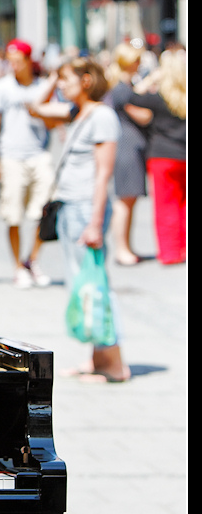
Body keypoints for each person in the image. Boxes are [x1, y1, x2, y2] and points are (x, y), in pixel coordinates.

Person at [34, 57, 129, 383]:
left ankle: (114, 362)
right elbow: (36, 108)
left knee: (95, 284)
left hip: (84, 207)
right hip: (69, 204)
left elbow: (103, 173)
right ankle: (97, 358)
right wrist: (50, 79)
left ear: (86, 81)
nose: (61, 85)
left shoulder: (101, 116)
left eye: (66, 79)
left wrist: (94, 222)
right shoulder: (79, 112)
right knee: (82, 283)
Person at [0, 39, 58, 288]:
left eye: (17, 61)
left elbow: (52, 123)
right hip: (11, 155)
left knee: (45, 210)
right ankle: (18, 266)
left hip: (38, 153)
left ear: (28, 61)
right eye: (10, 61)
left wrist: (40, 111)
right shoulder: (1, 87)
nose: (13, 66)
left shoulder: (42, 87)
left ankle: (32, 259)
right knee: (13, 214)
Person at [126, 49, 187, 266]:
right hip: (184, 155)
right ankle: (182, 248)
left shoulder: (159, 97)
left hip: (162, 156)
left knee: (165, 206)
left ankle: (170, 253)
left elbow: (132, 95)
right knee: (181, 205)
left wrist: (152, 77)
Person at [103, 42, 151, 266]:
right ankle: (121, 248)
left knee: (129, 199)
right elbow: (143, 116)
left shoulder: (123, 86)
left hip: (129, 145)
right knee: (125, 199)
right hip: (126, 147)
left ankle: (126, 247)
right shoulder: (121, 89)